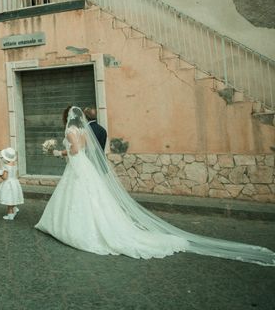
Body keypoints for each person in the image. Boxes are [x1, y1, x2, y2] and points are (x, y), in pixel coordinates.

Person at [35, 106, 275, 266]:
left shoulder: (70, 131)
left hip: (78, 167)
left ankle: (73, 229)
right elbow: (87, 149)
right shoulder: (85, 130)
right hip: (86, 169)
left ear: (67, 118)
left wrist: (58, 152)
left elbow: (76, 151)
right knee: (94, 200)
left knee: (79, 198)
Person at [0, 147, 24, 221]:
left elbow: (5, 177)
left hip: (8, 184)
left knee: (9, 198)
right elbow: (16, 174)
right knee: (13, 196)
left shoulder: (5, 166)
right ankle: (14, 208)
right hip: (15, 182)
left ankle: (10, 215)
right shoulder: (14, 164)